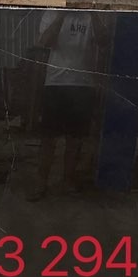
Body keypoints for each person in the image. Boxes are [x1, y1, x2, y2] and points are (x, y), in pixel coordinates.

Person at [28, 11, 108, 201]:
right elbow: (44, 42)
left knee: (75, 139)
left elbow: (104, 41)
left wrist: (93, 12)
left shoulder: (90, 16)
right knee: (48, 138)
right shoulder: (51, 13)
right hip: (56, 83)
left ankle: (68, 180)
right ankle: (41, 182)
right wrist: (62, 15)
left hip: (83, 84)